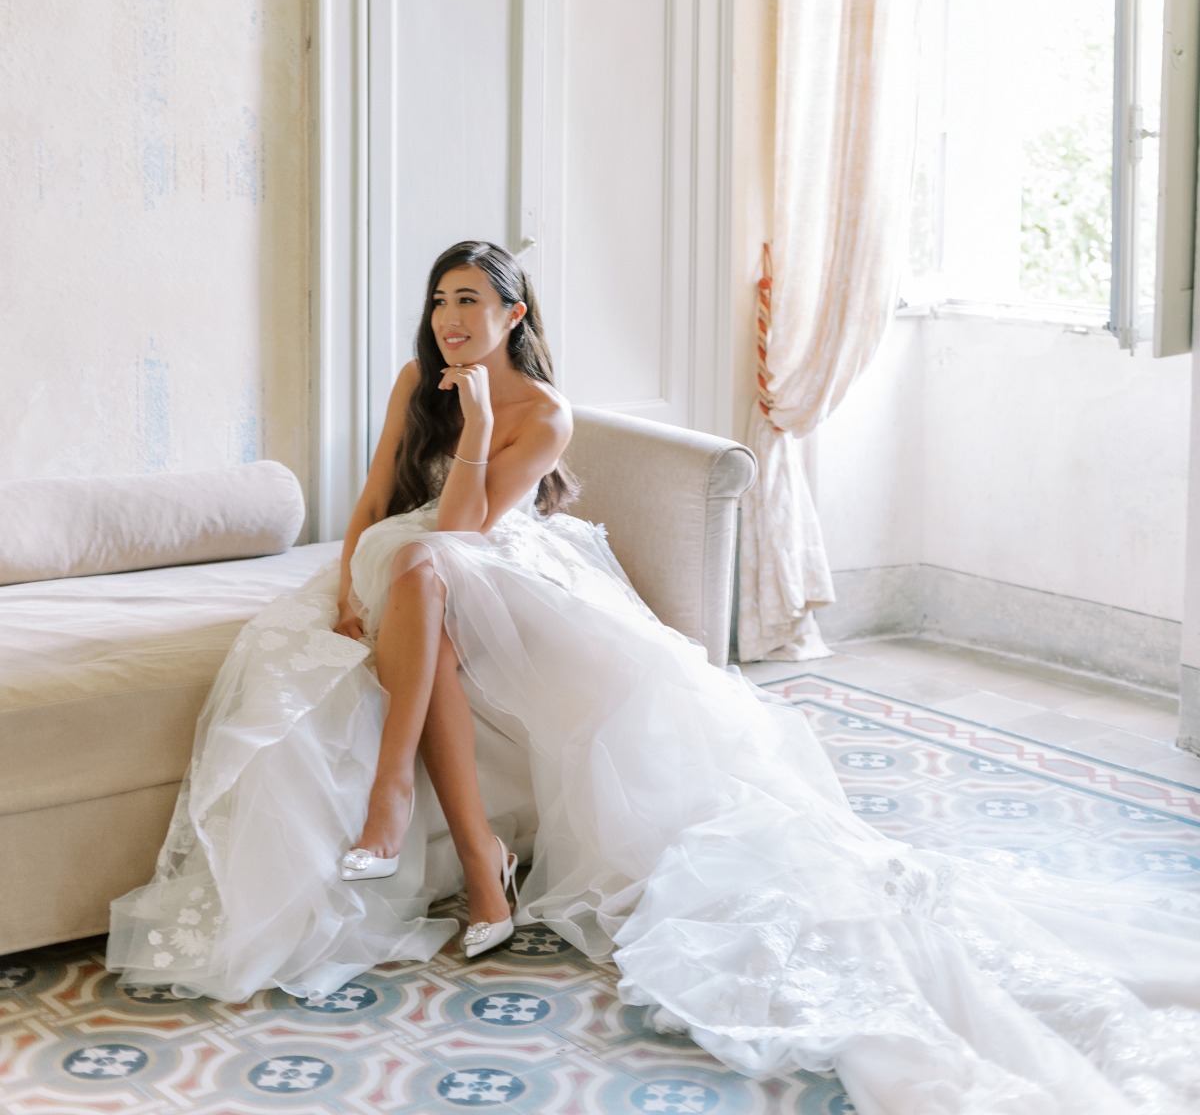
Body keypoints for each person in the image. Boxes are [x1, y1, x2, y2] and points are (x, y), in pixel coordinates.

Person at [108, 242, 1200, 1115]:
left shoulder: (543, 412)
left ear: (515, 315)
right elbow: (376, 498)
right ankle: (478, 860)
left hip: (498, 563)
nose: (452, 318)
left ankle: (409, 798)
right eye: (442, 298)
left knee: (434, 572)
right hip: (410, 562)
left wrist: (483, 418)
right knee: (406, 584)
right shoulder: (413, 380)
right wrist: (350, 574)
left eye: (475, 301)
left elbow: (471, 526)